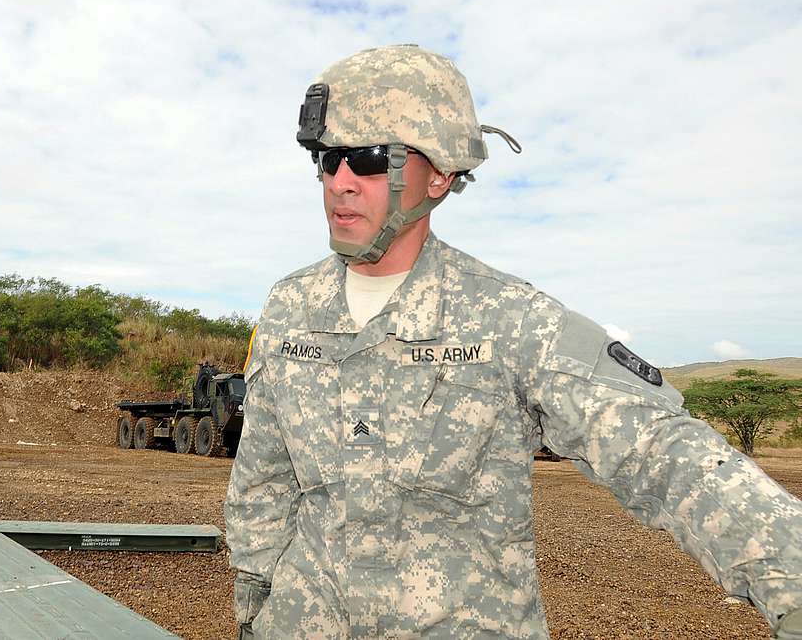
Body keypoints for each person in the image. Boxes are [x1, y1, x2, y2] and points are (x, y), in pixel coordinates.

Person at [223, 45, 802, 640]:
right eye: (328, 159)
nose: (340, 182)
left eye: (370, 158)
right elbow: (262, 481)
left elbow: (663, 450)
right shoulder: (290, 307)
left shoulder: (508, 316)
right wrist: (253, 609)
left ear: (441, 176)